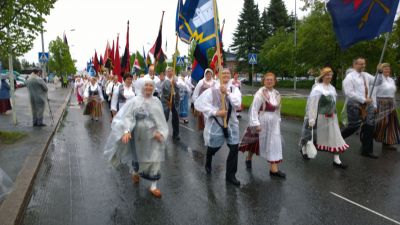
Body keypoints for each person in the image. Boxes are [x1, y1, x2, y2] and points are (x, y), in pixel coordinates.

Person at [104, 77, 169, 198]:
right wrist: (127, 130)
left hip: (154, 135)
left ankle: (153, 186)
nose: (149, 87)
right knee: (138, 156)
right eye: (146, 85)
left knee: (155, 157)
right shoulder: (134, 101)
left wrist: (162, 132)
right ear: (141, 87)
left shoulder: (156, 101)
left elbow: (161, 119)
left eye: (151, 85)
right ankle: (135, 171)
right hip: (139, 135)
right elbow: (128, 117)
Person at [195, 68, 242, 186]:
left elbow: (237, 103)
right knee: (213, 147)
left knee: (234, 148)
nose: (226, 75)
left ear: (230, 76)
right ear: (219, 75)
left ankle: (230, 176)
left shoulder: (234, 89)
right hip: (217, 123)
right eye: (223, 73)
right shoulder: (212, 90)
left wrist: (227, 93)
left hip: (231, 124)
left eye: (228, 73)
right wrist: (216, 112)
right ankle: (209, 157)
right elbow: (200, 104)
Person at [299, 67, 349, 168]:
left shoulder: (332, 88)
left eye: (330, 75)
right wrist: (311, 118)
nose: (329, 77)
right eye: (327, 75)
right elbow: (312, 105)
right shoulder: (317, 89)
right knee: (310, 135)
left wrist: (335, 116)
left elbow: (333, 104)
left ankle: (337, 160)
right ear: (323, 76)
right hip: (319, 117)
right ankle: (304, 149)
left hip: (331, 117)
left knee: (336, 137)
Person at [239, 72, 285, 178]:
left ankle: (274, 169)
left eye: (271, 80)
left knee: (274, 143)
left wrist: (278, 119)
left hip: (273, 122)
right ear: (264, 81)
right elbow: (254, 109)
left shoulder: (277, 94)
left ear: (274, 81)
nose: (269, 81)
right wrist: (256, 124)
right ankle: (249, 157)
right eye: (267, 79)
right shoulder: (260, 93)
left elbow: (278, 109)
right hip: (262, 121)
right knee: (254, 142)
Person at [341, 57, 378, 158]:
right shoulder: (349, 77)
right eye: (360, 64)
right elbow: (349, 93)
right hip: (355, 105)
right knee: (353, 126)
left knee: (369, 126)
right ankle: (337, 139)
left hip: (367, 104)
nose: (362, 66)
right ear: (354, 65)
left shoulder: (365, 75)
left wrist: (379, 72)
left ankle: (367, 151)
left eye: (364, 64)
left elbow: (377, 82)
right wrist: (363, 99)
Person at [373, 63, 400, 150]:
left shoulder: (391, 80)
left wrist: (394, 103)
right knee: (381, 123)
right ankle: (366, 137)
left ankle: (387, 142)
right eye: (385, 69)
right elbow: (373, 93)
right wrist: (374, 105)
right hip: (381, 103)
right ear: (381, 70)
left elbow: (392, 93)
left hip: (391, 104)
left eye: (388, 69)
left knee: (391, 124)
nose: (387, 70)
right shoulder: (377, 79)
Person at [160, 67, 180, 140]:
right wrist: (171, 86)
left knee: (176, 118)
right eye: (168, 71)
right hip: (166, 101)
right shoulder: (165, 81)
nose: (170, 73)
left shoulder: (175, 80)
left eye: (171, 71)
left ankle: (176, 134)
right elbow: (165, 91)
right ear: (166, 73)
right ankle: (162, 133)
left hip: (174, 100)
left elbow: (178, 90)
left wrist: (175, 84)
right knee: (165, 117)